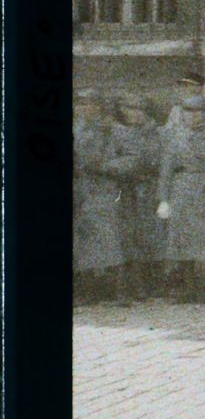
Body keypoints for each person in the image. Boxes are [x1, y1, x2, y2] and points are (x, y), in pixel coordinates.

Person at [155, 93, 205, 301]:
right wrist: (163, 199)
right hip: (181, 189)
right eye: (188, 112)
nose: (193, 116)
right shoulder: (174, 137)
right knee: (182, 240)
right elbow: (166, 171)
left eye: (198, 112)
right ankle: (188, 287)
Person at [74, 93, 132, 304]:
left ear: (99, 106)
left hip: (107, 191)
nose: (83, 108)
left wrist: (106, 167)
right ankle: (89, 291)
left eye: (88, 103)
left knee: (111, 240)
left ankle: (120, 291)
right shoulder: (76, 130)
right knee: (84, 241)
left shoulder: (116, 131)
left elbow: (132, 159)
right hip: (82, 191)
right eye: (80, 104)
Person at [108, 97, 164, 300]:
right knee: (130, 236)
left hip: (151, 189)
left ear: (147, 112)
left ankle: (155, 283)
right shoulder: (120, 133)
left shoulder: (158, 133)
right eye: (128, 109)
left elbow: (159, 160)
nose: (133, 114)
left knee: (153, 235)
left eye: (138, 109)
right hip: (127, 190)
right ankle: (136, 285)